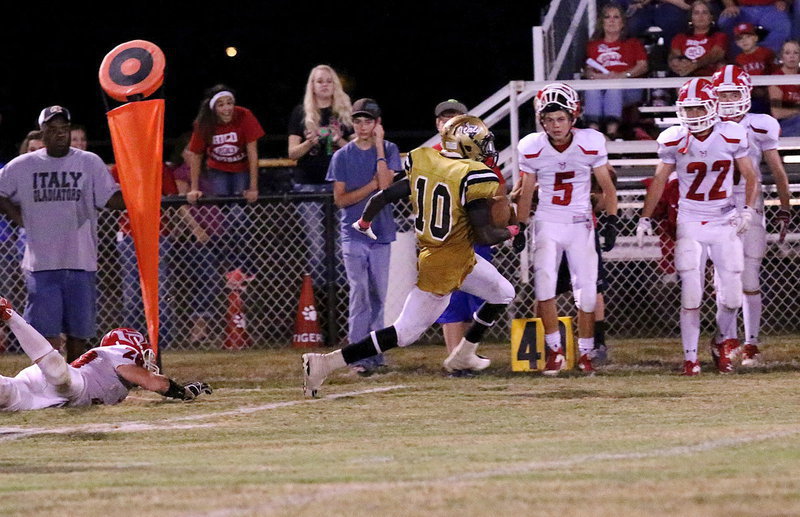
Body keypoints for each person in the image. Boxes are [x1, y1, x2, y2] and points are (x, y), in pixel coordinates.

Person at [302, 115, 517, 397]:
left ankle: (464, 353)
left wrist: (365, 221)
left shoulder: (427, 164)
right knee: (404, 333)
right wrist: (513, 229)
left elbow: (385, 195)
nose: (486, 149)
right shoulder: (472, 176)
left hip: (452, 255)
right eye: (480, 143)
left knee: (503, 291)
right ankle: (324, 364)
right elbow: (485, 235)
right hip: (445, 266)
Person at [637, 77, 759, 375]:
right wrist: (645, 216)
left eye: (698, 109)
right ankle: (690, 358)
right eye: (687, 110)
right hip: (690, 219)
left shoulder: (732, 134)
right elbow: (660, 180)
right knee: (692, 292)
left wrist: (747, 210)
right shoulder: (674, 138)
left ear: (713, 106)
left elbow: (751, 176)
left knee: (731, 296)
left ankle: (720, 342)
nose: (692, 116)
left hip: (724, 219)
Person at [0, 106, 125, 362]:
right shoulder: (25, 165)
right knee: (46, 333)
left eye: (64, 129)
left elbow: (112, 200)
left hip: (81, 259)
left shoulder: (89, 162)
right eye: (53, 130)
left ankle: (76, 381)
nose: (60, 135)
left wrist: (138, 185)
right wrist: (18, 218)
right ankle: (53, 382)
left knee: (79, 331)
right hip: (42, 262)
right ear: (42, 132)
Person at [514, 83, 619, 375]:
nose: (555, 125)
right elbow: (525, 192)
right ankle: (555, 351)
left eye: (560, 118)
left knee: (586, 293)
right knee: (544, 286)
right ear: (541, 120)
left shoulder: (591, 141)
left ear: (573, 117)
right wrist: (520, 225)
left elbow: (608, 186)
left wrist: (611, 220)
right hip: (547, 221)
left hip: (579, 223)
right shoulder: (532, 146)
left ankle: (585, 352)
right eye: (549, 119)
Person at [710, 65, 792, 367]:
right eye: (724, 93)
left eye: (734, 93)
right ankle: (727, 342)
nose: (729, 99)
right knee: (722, 280)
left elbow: (777, 171)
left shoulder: (760, 124)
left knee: (749, 277)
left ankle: (751, 343)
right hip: (716, 210)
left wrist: (784, 207)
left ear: (745, 94)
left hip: (750, 207)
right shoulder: (707, 125)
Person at [0, 297, 211, 411]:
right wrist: (182, 392)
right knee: (60, 375)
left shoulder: (115, 379)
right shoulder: (118, 352)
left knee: (6, 394)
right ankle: (10, 315)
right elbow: (154, 383)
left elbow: (117, 396)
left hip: (49, 397)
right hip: (68, 384)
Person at [325, 98, 399, 375]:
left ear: (377, 124)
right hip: (354, 234)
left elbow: (387, 185)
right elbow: (341, 200)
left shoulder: (389, 149)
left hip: (381, 233)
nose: (362, 126)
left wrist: (379, 145)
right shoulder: (342, 156)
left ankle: (375, 352)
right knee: (360, 294)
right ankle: (357, 355)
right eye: (358, 121)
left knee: (379, 294)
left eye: (368, 121)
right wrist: (371, 186)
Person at [429, 99, 506, 365]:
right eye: (444, 119)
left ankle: (467, 354)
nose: (449, 124)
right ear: (437, 124)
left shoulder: (480, 152)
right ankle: (454, 358)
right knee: (450, 302)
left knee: (481, 297)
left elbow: (498, 194)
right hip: (445, 239)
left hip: (475, 236)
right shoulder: (429, 157)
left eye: (455, 119)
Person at [287, 65, 353, 284]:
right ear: (312, 86)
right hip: (309, 186)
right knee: (317, 246)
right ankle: (321, 299)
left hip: (339, 185)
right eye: (319, 81)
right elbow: (292, 153)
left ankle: (342, 297)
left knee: (341, 245)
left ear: (335, 85)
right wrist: (309, 142)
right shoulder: (301, 112)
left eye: (328, 81)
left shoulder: (345, 112)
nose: (324, 85)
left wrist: (338, 140)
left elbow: (357, 152)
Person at [110, 161, 179, 346]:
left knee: (160, 289)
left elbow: (172, 198)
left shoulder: (158, 166)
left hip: (158, 234)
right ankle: (132, 341)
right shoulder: (120, 166)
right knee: (131, 293)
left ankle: (162, 341)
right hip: (128, 235)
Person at [186, 85, 264, 204]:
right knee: (222, 204)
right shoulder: (204, 123)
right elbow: (196, 155)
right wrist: (194, 189)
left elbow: (252, 153)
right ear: (213, 108)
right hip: (217, 168)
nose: (227, 108)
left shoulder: (245, 115)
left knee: (239, 208)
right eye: (221, 105)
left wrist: (253, 188)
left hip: (241, 167)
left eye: (229, 103)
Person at [583, 3, 649, 137]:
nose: (611, 20)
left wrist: (623, 75)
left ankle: (612, 132)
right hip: (600, 83)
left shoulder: (633, 43)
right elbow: (588, 70)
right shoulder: (593, 45)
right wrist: (597, 77)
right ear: (602, 22)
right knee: (591, 89)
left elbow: (643, 66)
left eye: (616, 17)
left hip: (627, 87)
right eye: (607, 17)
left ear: (623, 22)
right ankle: (593, 132)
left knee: (614, 88)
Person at [668, 0, 727, 77]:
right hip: (685, 76)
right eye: (696, 13)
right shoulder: (680, 38)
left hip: (710, 78)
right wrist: (678, 64)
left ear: (711, 17)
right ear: (691, 18)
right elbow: (674, 56)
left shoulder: (719, 36)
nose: (700, 16)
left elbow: (715, 55)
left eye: (705, 12)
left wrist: (695, 65)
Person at [732, 23, 776, 113]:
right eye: (740, 39)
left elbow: (775, 71)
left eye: (748, 36)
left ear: (755, 38)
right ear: (736, 43)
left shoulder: (767, 53)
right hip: (751, 96)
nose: (744, 41)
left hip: (769, 93)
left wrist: (768, 90)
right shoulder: (738, 59)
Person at [718, 0, 790, 54]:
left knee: (782, 26)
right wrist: (730, 5)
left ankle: (765, 56)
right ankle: (738, 59)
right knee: (725, 21)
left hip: (770, 7)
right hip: (743, 8)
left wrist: (783, 1)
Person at [622, 0, 691, 48]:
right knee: (631, 25)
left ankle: (673, 57)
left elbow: (687, 5)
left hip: (672, 7)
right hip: (643, 8)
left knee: (674, 21)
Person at [768, 40, 800, 137]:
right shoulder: (776, 78)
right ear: (782, 56)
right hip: (784, 124)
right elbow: (777, 113)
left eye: (796, 52)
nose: (792, 56)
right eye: (787, 53)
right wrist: (797, 110)